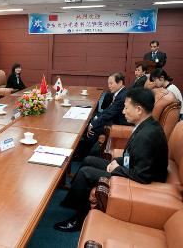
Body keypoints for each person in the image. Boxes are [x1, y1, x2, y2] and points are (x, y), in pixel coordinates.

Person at [55, 88, 168, 232]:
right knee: (89, 160)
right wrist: (119, 161)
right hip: (131, 168)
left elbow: (143, 176)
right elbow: (135, 156)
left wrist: (118, 169)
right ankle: (75, 198)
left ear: (139, 109)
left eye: (126, 108)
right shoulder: (146, 125)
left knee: (85, 173)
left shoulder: (146, 135)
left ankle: (79, 218)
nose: (123, 111)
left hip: (141, 181)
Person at [74, 73, 129, 159]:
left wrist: (93, 124)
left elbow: (110, 113)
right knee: (92, 120)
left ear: (120, 83)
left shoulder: (122, 96)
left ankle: (81, 155)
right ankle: (80, 148)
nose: (109, 86)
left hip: (119, 123)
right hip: (114, 118)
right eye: (108, 83)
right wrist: (95, 118)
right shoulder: (120, 93)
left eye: (111, 83)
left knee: (94, 128)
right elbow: (109, 110)